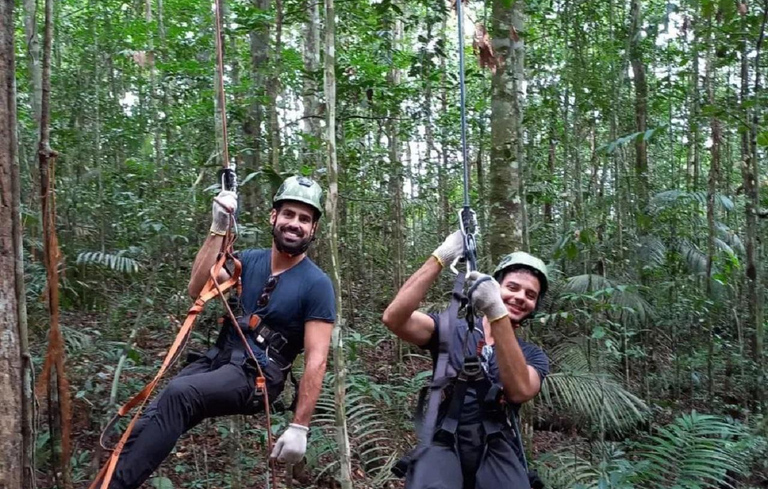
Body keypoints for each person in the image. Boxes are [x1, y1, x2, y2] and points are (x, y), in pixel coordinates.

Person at [107, 175, 336, 489]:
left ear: (313, 229)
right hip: (218, 361)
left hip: (256, 378)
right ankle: (104, 478)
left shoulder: (317, 285)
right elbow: (197, 288)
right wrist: (218, 227)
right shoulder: (247, 261)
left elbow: (316, 360)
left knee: (180, 394)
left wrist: (300, 426)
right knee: (146, 419)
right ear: (274, 217)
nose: (295, 223)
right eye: (288, 214)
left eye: (304, 219)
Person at [382, 230, 550, 489]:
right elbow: (395, 318)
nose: (520, 298)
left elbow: (519, 391)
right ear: (496, 286)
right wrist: (441, 256)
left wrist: (495, 310)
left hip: (497, 445)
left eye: (530, 295)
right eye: (512, 288)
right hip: (443, 440)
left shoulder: (531, 355)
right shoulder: (451, 329)